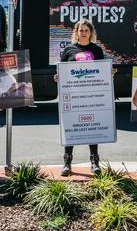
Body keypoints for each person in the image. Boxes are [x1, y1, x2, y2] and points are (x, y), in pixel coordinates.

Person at [54, 19, 105, 176]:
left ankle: (95, 162)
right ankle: (67, 163)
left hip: (91, 95)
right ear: (76, 32)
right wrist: (58, 77)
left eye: (86, 30)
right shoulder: (69, 50)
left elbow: (102, 70)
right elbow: (61, 70)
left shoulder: (97, 50)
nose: (83, 33)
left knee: (92, 126)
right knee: (71, 127)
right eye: (80, 30)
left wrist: (108, 74)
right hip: (73, 96)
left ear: (91, 33)